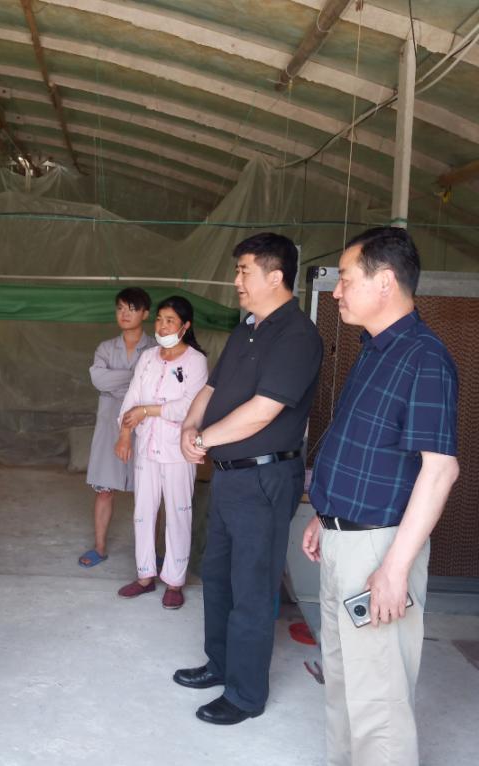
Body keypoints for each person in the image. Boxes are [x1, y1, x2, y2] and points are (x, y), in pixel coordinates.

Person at [302, 227, 459, 766]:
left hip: (380, 550)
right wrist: (325, 515)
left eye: (346, 279)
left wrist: (394, 568)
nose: (337, 292)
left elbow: (440, 471)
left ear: (385, 281)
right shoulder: (375, 350)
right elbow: (365, 447)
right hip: (345, 538)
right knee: (343, 678)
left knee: (379, 701)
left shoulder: (424, 358)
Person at [174, 232, 322, 724]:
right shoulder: (247, 329)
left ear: (275, 276)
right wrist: (189, 428)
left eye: (244, 271)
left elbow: (263, 411)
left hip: (264, 478)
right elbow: (210, 388)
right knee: (218, 577)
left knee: (253, 588)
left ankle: (245, 694)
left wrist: (204, 439)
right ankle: (219, 665)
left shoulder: (297, 336)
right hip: (229, 477)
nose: (236, 280)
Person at [115, 295, 208, 609]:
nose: (163, 326)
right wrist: (125, 434)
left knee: (179, 513)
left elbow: (190, 406)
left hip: (179, 450)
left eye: (170, 321)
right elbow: (132, 398)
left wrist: (148, 411)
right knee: (143, 513)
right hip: (146, 447)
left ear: (185, 326)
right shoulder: (148, 357)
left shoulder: (195, 361)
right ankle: (144, 576)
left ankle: (175, 581)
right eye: (159, 319)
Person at [78, 287, 156, 568]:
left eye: (132, 309)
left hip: (146, 422)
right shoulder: (105, 347)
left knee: (149, 492)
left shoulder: (156, 349)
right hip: (110, 421)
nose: (124, 314)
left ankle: (150, 552)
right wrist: (135, 378)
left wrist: (119, 381)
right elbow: (98, 380)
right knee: (104, 489)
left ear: (145, 314)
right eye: (120, 308)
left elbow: (155, 386)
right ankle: (99, 547)